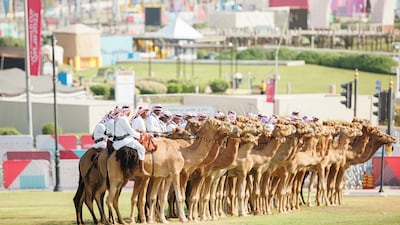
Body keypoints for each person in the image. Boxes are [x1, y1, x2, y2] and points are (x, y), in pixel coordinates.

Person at [113, 105, 150, 176]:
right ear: (127, 112)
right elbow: (130, 131)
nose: (130, 113)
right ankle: (141, 169)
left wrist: (136, 131)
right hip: (124, 141)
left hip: (121, 140)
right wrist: (141, 136)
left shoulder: (119, 118)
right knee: (141, 148)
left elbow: (128, 130)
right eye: (129, 112)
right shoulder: (123, 119)